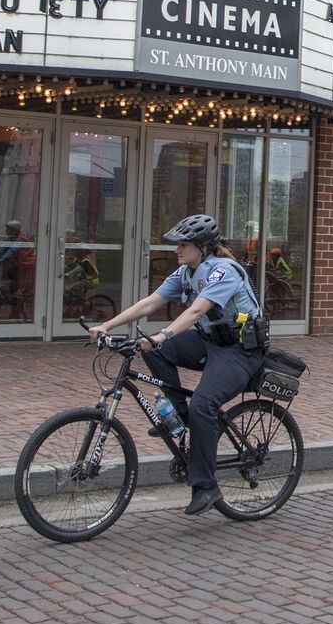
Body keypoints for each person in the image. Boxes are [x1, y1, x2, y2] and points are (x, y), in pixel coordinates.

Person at [89, 213, 266, 517]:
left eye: (183, 244)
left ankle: (206, 486)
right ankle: (180, 417)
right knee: (158, 352)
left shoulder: (224, 271)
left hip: (240, 351)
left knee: (203, 404)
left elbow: (197, 311)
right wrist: (106, 325)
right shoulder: (186, 272)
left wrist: (162, 334)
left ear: (202, 246)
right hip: (210, 342)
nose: (177, 250)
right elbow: (149, 303)